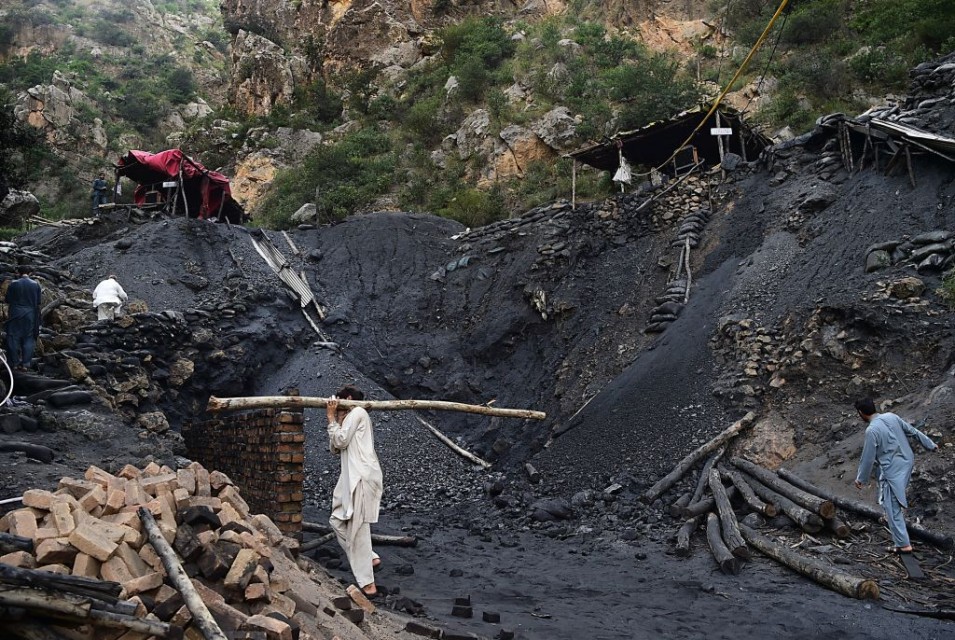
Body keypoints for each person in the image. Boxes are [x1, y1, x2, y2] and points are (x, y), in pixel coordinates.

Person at [853, 398, 938, 553]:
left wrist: (861, 478)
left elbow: (868, 457)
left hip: (894, 468)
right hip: (907, 460)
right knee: (891, 499)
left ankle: (903, 545)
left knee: (891, 505)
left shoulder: (872, 430)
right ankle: (900, 534)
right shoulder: (891, 416)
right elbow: (912, 431)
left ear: (861, 413)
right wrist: (930, 444)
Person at [326, 385, 383, 598]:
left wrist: (332, 418)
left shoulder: (358, 411)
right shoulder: (349, 418)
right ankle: (369, 557)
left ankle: (368, 584)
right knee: (336, 521)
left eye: (340, 403)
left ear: (348, 399)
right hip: (350, 477)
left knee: (358, 528)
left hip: (361, 476)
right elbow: (335, 447)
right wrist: (337, 420)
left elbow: (340, 440)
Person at [4, 265, 42, 371]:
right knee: (29, 338)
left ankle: (15, 363)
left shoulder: (14, 284)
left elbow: (8, 299)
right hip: (30, 313)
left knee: (13, 337)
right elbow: (38, 302)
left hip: (15, 312)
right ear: (29, 273)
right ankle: (26, 364)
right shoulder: (35, 284)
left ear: (18, 273)